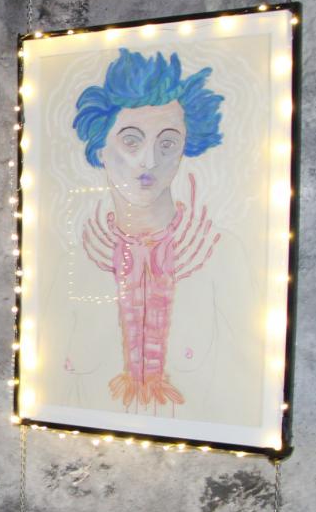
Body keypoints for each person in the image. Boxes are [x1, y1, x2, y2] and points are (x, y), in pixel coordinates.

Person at [74, 49, 224, 410]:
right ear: (100, 148)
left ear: (185, 148)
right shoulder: (71, 260)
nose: (150, 160)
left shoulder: (221, 254)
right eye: (131, 140)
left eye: (168, 143)